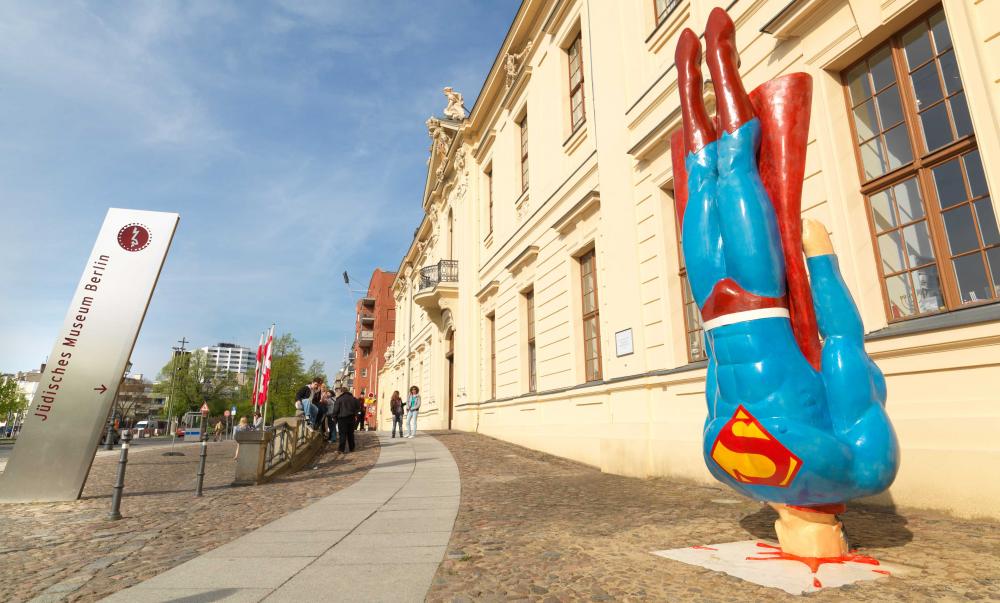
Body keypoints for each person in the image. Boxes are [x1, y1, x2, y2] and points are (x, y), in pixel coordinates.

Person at [331, 386, 359, 454]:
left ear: (342, 392)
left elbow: (336, 409)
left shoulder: (339, 399)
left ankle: (341, 449)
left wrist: (334, 417)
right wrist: (355, 414)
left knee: (342, 434)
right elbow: (358, 407)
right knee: (351, 434)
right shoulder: (354, 399)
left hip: (342, 418)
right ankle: (352, 448)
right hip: (352, 418)